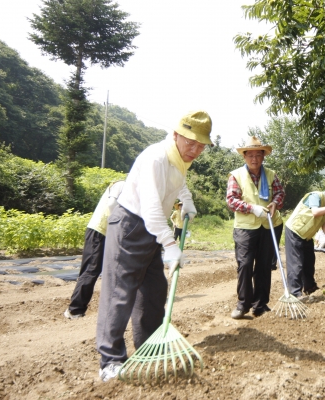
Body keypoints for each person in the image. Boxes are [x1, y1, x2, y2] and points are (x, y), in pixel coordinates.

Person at [95, 110, 213, 382]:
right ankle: (109, 362)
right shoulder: (156, 157)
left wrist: (186, 199)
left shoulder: (180, 158)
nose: (195, 150)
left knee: (153, 292)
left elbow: (177, 181)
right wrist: (170, 244)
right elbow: (150, 208)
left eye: (201, 145)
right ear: (175, 135)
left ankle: (147, 347)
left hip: (151, 230)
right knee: (120, 294)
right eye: (190, 142)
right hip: (131, 225)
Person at [226, 136, 285, 319]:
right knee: (244, 265)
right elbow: (231, 201)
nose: (254, 159)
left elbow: (280, 193)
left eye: (258, 155)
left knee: (264, 266)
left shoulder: (271, 174)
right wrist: (252, 208)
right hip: (245, 228)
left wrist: (275, 203)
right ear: (244, 157)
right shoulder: (236, 175)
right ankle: (243, 304)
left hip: (268, 226)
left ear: (263, 157)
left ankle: (260, 304)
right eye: (250, 155)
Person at [63, 180, 125, 319]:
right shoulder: (122, 185)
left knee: (115, 270)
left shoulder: (131, 190)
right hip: (99, 231)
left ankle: (116, 305)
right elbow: (111, 205)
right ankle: (74, 310)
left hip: (110, 234)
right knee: (91, 269)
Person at [284, 180, 325, 299]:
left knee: (309, 262)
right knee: (296, 263)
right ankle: (295, 293)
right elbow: (315, 212)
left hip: (307, 235)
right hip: (295, 231)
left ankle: (310, 287)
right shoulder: (316, 196)